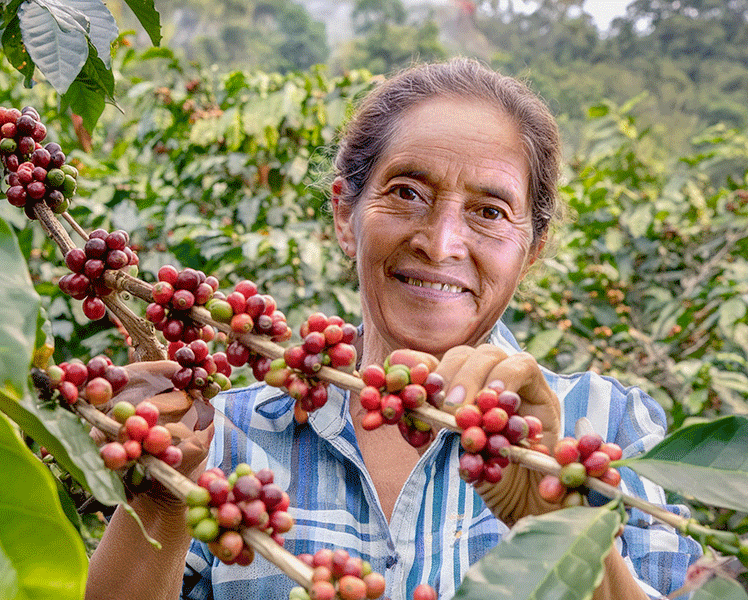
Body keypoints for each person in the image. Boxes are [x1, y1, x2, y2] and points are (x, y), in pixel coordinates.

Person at [85, 57, 701, 600]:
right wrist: (162, 500)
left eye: (489, 212)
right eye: (406, 193)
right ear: (345, 213)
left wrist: (560, 524)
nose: (440, 244)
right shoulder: (221, 438)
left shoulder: (611, 431)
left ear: (532, 247)